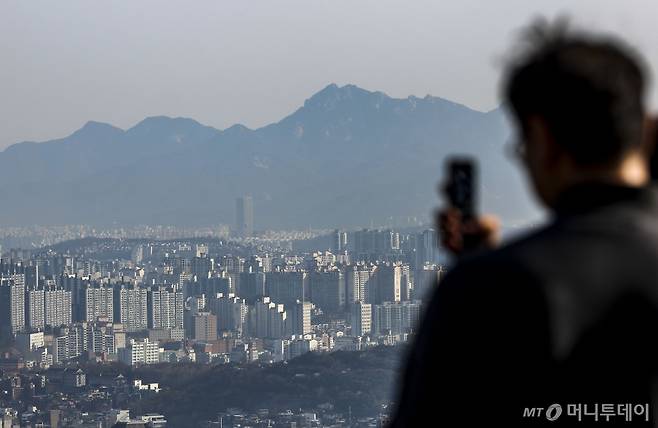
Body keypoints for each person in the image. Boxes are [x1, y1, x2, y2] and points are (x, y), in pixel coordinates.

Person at [389, 21, 658, 427]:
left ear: (542, 139)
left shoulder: (489, 291)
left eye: (521, 147)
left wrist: (480, 273)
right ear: (646, 130)